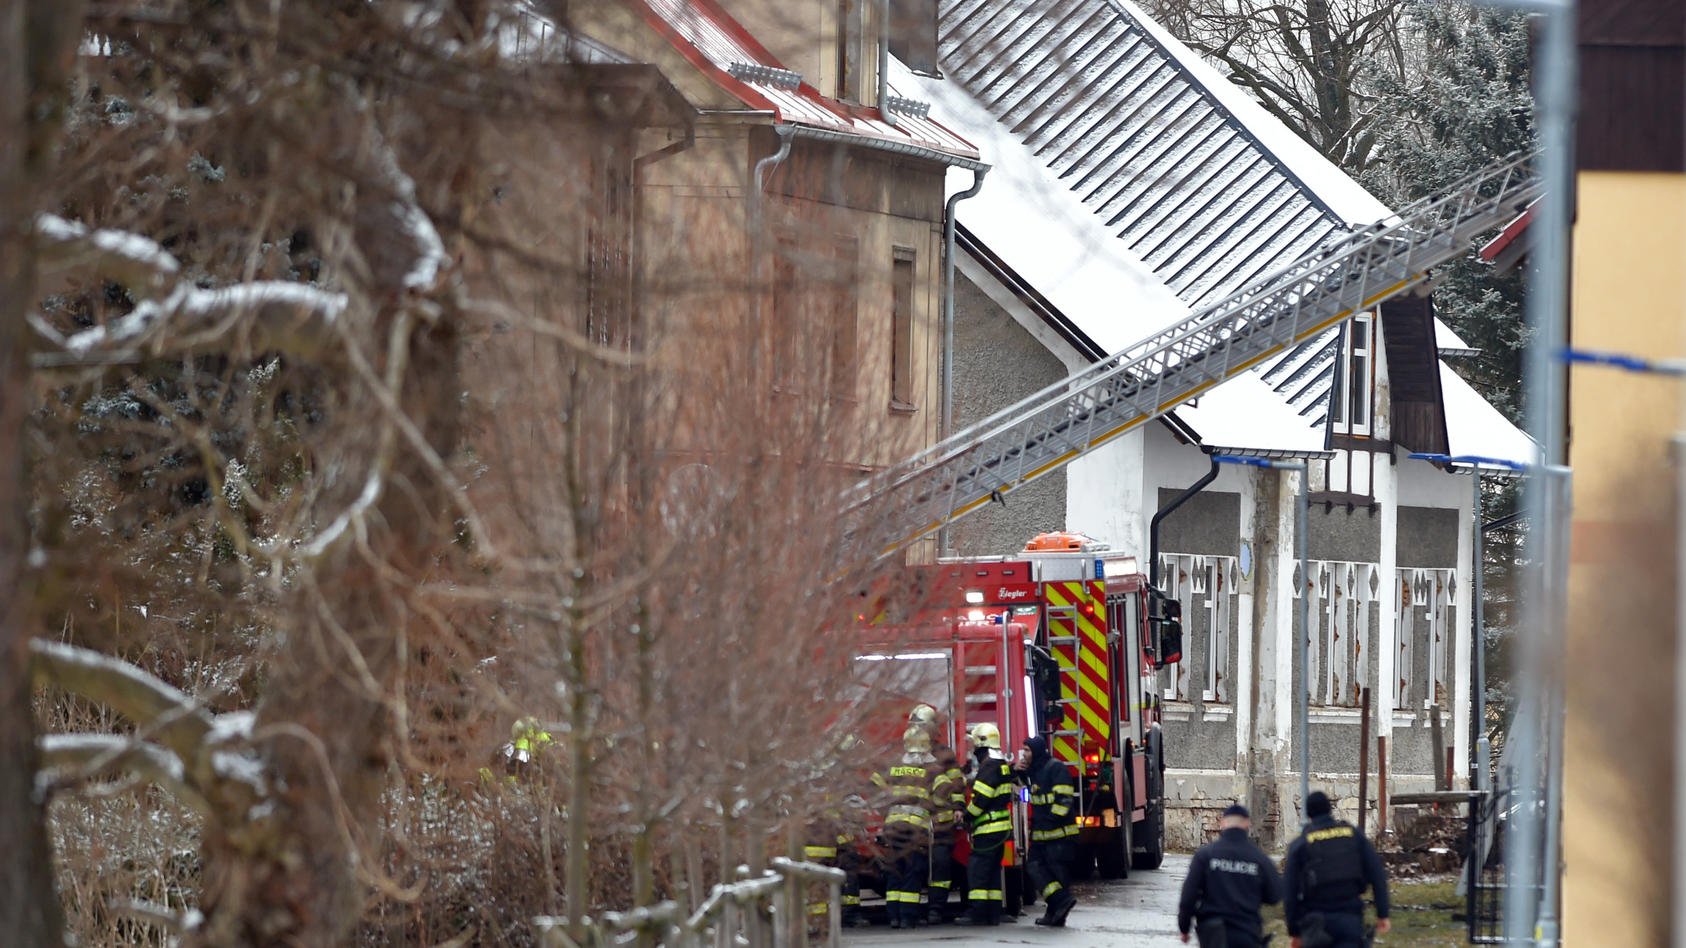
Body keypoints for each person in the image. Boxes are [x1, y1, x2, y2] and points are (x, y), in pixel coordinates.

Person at [1284, 791, 1392, 948]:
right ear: (1330, 809)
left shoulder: (1301, 844)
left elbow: (1289, 891)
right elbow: (1377, 873)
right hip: (1349, 919)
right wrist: (1382, 913)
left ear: (1308, 815)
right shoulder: (1353, 835)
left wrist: (1294, 931)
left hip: (1316, 923)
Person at [1177, 803, 1282, 947]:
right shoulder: (1260, 859)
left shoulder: (1206, 855)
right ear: (1247, 823)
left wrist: (1184, 927)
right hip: (1246, 933)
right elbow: (1274, 895)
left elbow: (1188, 896)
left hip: (1212, 933)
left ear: (1222, 823)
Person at [872, 726, 939, 929]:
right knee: (912, 873)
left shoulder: (893, 766)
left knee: (894, 872)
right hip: (915, 830)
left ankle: (894, 917)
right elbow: (944, 792)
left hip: (893, 827)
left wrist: (886, 804)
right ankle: (908, 918)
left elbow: (872, 784)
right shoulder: (931, 769)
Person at [910, 704, 966, 923]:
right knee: (913, 868)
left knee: (940, 867)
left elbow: (956, 783)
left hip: (941, 824)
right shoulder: (908, 753)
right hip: (915, 825)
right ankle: (911, 912)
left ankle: (935, 910)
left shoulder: (944, 754)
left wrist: (959, 808)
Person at [1018, 736, 1077, 927]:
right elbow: (1027, 794)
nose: (1024, 754)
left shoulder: (1055, 768)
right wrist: (1017, 773)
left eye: (1027, 750)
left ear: (1036, 751)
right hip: (1042, 836)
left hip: (1059, 835)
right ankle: (1058, 905)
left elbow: (1064, 799)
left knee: (1056, 874)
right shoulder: (1034, 771)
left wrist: (1051, 821)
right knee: (1036, 869)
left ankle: (1057, 911)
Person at [960, 722, 1014, 926]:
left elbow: (981, 800)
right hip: (1000, 828)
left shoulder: (989, 766)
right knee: (991, 874)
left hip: (988, 829)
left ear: (980, 744)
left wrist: (966, 817)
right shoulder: (1000, 763)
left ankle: (977, 913)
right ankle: (992, 913)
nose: (973, 748)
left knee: (978, 872)